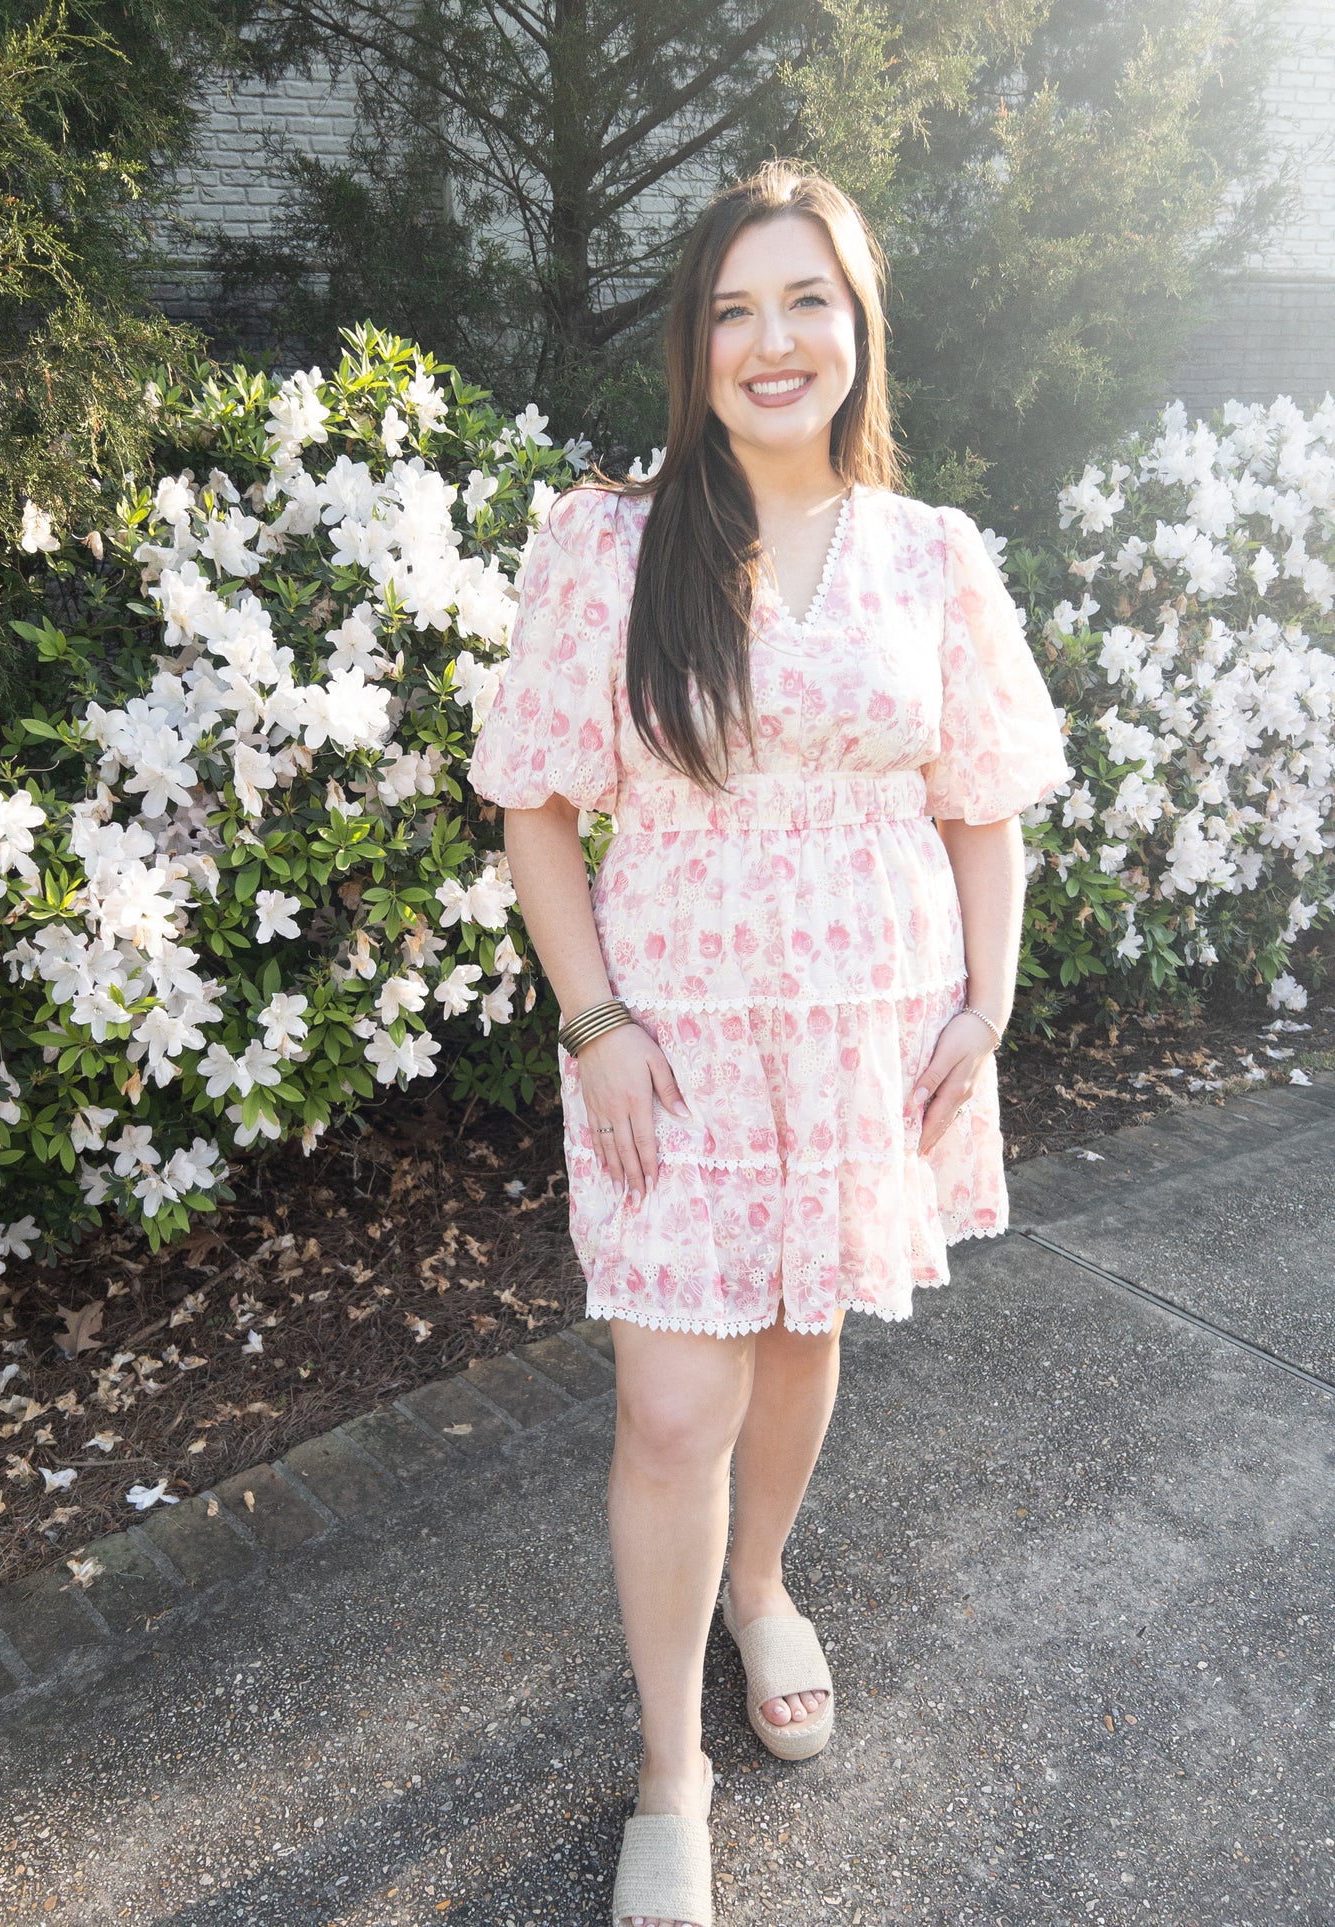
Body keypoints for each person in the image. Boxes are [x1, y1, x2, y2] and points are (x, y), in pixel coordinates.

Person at [466, 158, 1072, 1927]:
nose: (769, 338)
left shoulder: (929, 556)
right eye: (731, 308)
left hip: (868, 1032)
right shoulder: (609, 542)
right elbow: (536, 812)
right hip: (671, 1040)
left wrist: (987, 1002)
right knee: (671, 1402)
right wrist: (590, 1025)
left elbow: (981, 808)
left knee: (805, 1329)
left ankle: (761, 1587)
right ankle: (670, 1764)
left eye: (805, 299)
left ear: (859, 329)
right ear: (694, 347)